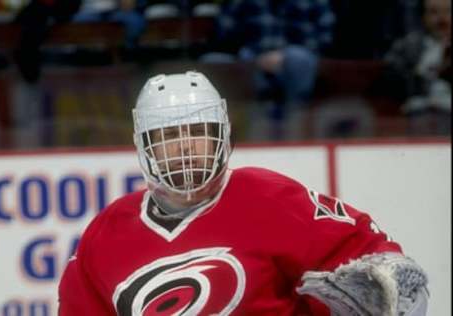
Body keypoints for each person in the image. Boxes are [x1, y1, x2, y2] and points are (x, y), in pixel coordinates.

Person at [58, 71, 429, 315]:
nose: (186, 147)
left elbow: (376, 259)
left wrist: (389, 281)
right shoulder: (106, 234)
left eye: (198, 131)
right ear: (144, 146)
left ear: (223, 133)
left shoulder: (268, 197)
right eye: (169, 136)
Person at [212, 0, 335, 139]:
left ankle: (297, 124)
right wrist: (256, 57)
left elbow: (325, 38)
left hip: (298, 62)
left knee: (298, 59)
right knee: (215, 60)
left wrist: (285, 55)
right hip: (250, 59)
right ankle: (241, 130)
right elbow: (223, 34)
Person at [382, 0, 451, 134]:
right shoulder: (407, 46)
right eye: (434, 12)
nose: (442, 18)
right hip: (417, 113)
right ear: (423, 17)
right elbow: (390, 81)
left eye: (448, 11)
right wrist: (421, 75)